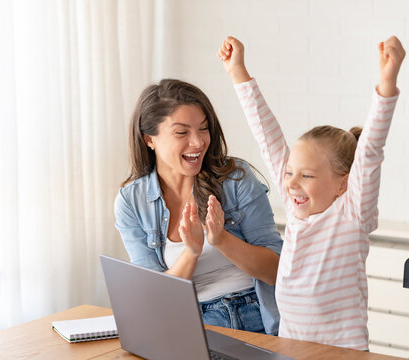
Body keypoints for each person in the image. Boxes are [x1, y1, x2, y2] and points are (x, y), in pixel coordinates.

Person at [217, 35, 405, 350]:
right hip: (292, 345)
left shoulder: (352, 213)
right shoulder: (296, 205)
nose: (290, 183)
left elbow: (371, 150)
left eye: (306, 175)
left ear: (343, 183)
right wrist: (238, 71)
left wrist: (387, 82)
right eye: (289, 173)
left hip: (341, 351)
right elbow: (267, 136)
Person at [114, 78, 284, 335]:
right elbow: (156, 300)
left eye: (203, 129)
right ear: (149, 139)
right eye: (182, 132)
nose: (198, 142)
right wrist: (191, 253)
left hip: (255, 315)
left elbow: (277, 271)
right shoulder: (131, 201)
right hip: (191, 325)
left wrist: (221, 239)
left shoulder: (236, 179)